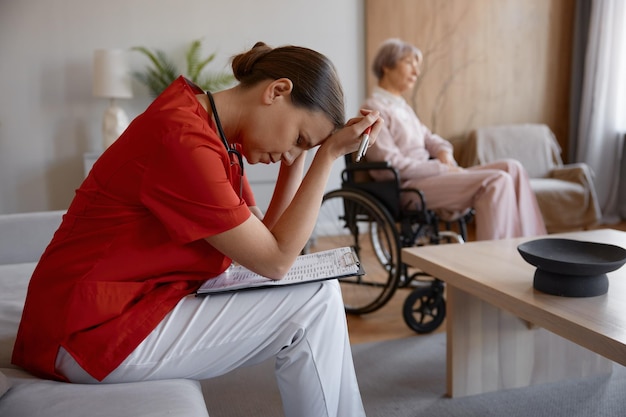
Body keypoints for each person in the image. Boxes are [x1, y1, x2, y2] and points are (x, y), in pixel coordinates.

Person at [12, 41, 382, 417]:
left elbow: (263, 241)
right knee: (315, 299)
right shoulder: (183, 141)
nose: (290, 154)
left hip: (123, 311)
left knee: (319, 294)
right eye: (299, 140)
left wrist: (303, 156)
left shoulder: (212, 133)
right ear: (277, 91)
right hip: (86, 334)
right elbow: (276, 261)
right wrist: (328, 155)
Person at [362, 38, 546, 240]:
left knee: (513, 168)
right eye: (409, 63)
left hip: (435, 176)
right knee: (497, 180)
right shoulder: (374, 110)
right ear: (386, 66)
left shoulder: (402, 108)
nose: (416, 72)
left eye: (417, 66)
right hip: (409, 187)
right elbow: (389, 166)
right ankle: (496, 259)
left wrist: (444, 153)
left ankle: (530, 244)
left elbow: (432, 139)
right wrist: (441, 168)